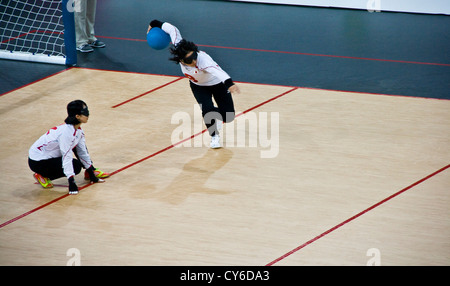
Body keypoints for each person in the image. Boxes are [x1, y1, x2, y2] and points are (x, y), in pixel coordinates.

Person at [147, 19, 240, 148]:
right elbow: (172, 29)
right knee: (207, 109)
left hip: (218, 84)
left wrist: (229, 84)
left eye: (195, 56)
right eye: (190, 60)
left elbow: (218, 71)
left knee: (229, 117)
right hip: (199, 87)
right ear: (181, 60)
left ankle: (215, 116)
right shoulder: (179, 47)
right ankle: (214, 136)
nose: (195, 61)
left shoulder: (204, 60)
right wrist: (154, 23)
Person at [28, 100, 109, 195]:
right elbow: (66, 156)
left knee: (78, 150)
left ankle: (90, 171)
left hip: (50, 156)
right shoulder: (66, 133)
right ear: (77, 116)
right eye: (84, 113)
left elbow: (82, 152)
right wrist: (71, 182)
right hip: (38, 161)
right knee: (76, 166)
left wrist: (92, 174)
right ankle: (43, 175)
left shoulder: (78, 130)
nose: (88, 114)